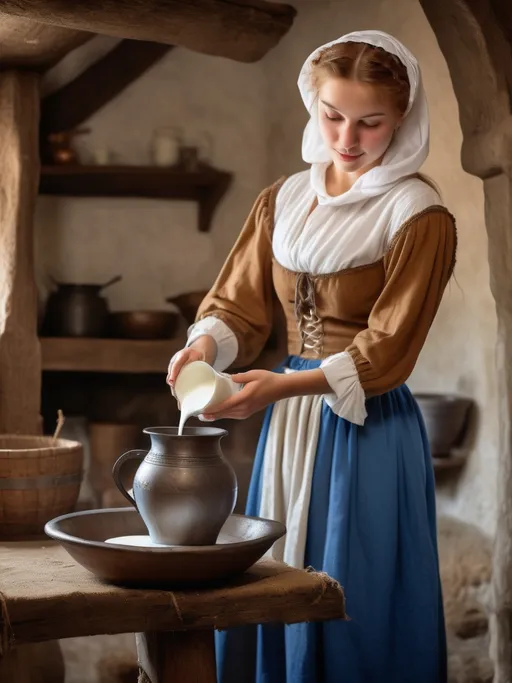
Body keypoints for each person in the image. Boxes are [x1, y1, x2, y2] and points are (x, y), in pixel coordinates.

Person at [167, 29, 455, 683]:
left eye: (370, 122)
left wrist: (279, 388)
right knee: (275, 571)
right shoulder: (285, 199)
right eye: (332, 116)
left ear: (402, 118)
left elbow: (388, 346)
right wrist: (201, 347)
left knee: (352, 583)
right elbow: (239, 304)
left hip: (365, 422)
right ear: (312, 104)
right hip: (287, 415)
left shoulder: (418, 214)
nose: (347, 139)